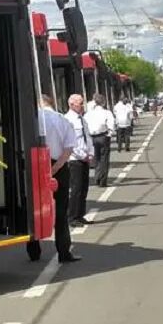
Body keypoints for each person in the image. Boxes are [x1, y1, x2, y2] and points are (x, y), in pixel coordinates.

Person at [38, 95, 81, 263]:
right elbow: (69, 148)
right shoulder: (62, 120)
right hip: (58, 165)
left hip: (36, 162)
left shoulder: (33, 118)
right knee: (61, 210)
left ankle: (33, 248)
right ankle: (63, 252)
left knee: (34, 206)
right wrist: (55, 168)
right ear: (53, 103)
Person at [64, 94, 95, 228]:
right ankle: (72, 217)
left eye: (82, 103)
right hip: (74, 159)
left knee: (84, 188)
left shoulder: (82, 118)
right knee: (75, 189)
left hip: (85, 158)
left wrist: (91, 153)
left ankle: (80, 214)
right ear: (71, 104)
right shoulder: (67, 120)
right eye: (80, 103)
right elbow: (70, 142)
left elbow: (87, 137)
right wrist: (82, 155)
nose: (82, 106)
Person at [84, 94, 115, 188]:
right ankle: (103, 180)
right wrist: (109, 135)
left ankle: (97, 177)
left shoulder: (88, 114)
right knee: (104, 159)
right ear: (103, 102)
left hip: (92, 137)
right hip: (103, 136)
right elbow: (111, 125)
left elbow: (85, 126)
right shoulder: (107, 112)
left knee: (95, 158)